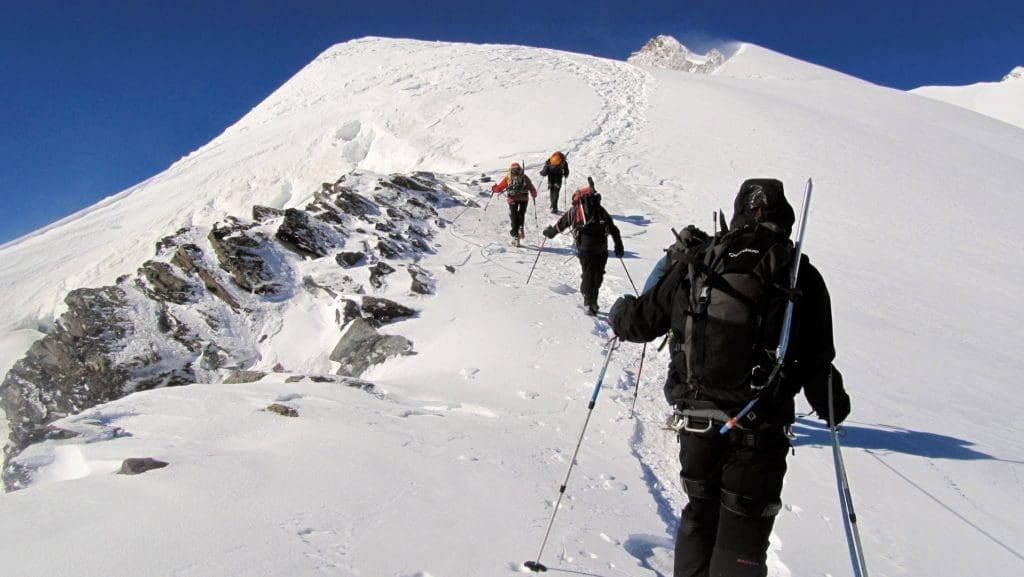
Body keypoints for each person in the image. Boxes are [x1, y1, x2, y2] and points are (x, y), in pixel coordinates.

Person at [607, 178, 851, 577]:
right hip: (760, 432)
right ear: (785, 218)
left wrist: (619, 313)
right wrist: (834, 407)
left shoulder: (703, 259)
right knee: (743, 531)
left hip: (700, 426)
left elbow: (641, 321)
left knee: (700, 514)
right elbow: (818, 366)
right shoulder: (798, 273)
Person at [543, 182, 624, 315]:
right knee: (598, 273)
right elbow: (614, 229)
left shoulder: (575, 210)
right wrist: (618, 246)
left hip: (585, 247)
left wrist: (549, 233)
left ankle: (588, 301)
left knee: (588, 272)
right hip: (602, 247)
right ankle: (593, 301)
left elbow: (560, 226)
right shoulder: (600, 210)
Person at [491, 162, 538, 247]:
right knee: (521, 213)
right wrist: (533, 194)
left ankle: (515, 235)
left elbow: (499, 188)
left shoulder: (509, 176)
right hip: (524, 198)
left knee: (513, 215)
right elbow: (531, 187)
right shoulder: (524, 176)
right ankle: (520, 227)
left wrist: (494, 188)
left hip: (512, 198)